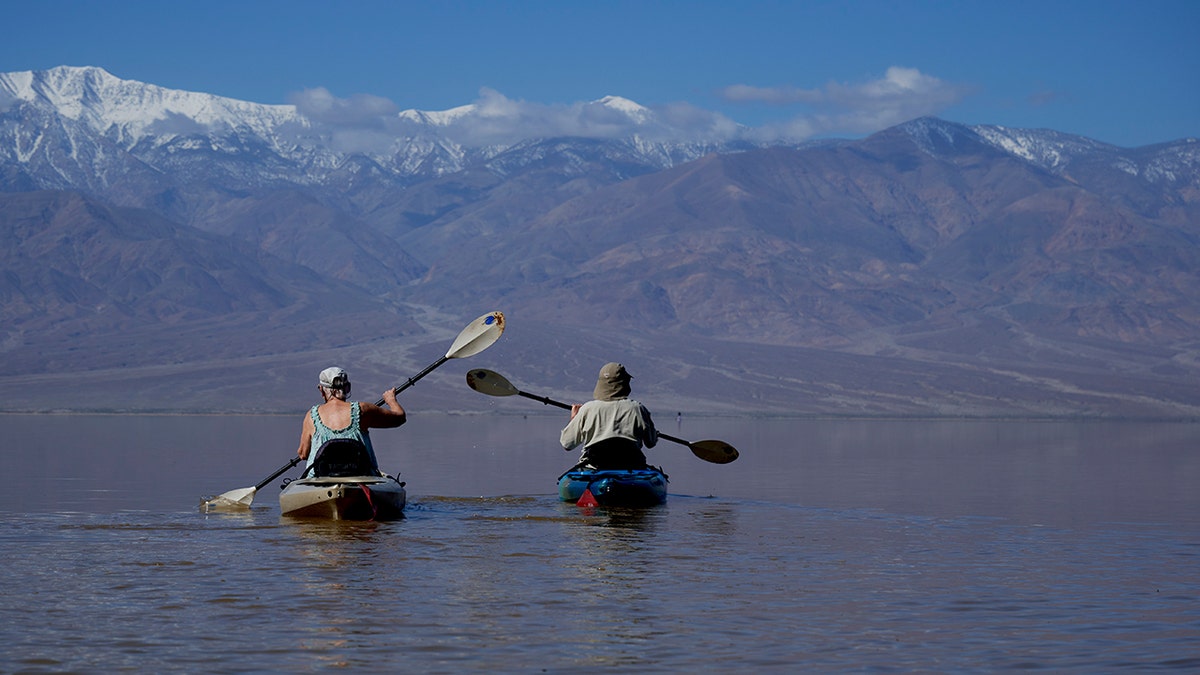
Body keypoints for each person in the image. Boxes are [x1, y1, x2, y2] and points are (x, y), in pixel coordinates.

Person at [296, 366, 406, 475]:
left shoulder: (311, 415)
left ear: (321, 390)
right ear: (347, 387)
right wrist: (391, 400)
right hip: (361, 477)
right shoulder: (363, 410)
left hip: (320, 480)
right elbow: (400, 417)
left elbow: (303, 454)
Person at [560, 362, 658, 470]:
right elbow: (651, 442)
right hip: (631, 465)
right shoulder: (637, 408)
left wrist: (574, 418)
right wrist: (654, 433)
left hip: (594, 466)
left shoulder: (587, 409)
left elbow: (567, 444)